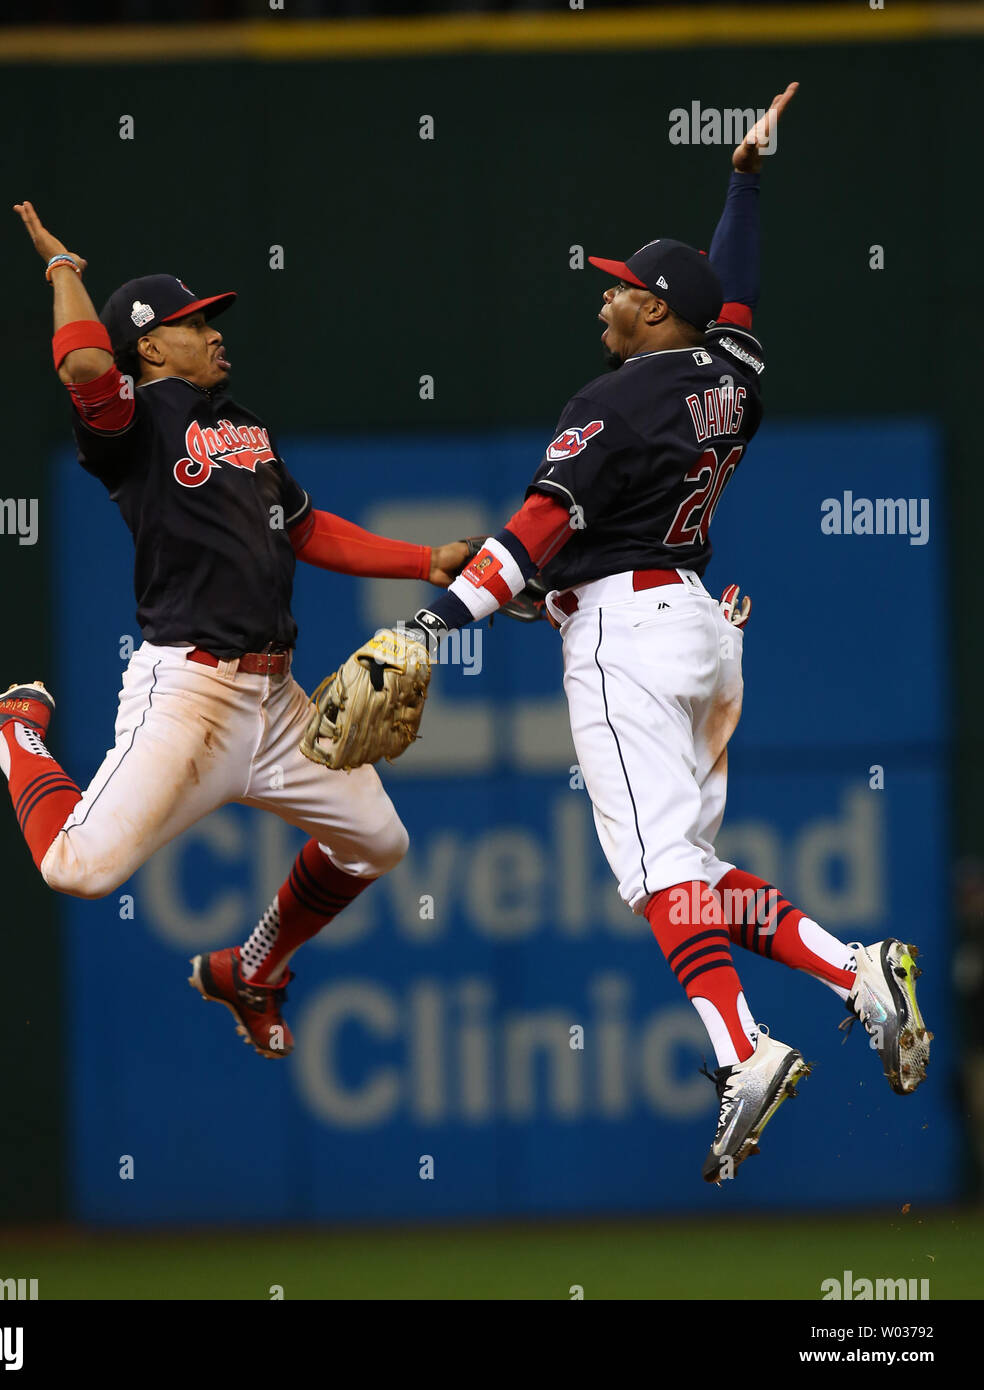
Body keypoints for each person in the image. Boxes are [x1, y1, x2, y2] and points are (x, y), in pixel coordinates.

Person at [393, 84, 931, 1182]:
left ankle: (743, 1047)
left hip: (627, 638)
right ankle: (850, 967)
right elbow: (733, 292)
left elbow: (531, 535)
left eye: (624, 291)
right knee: (683, 871)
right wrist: (742, 179)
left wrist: (429, 622)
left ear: (655, 314)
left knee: (654, 880)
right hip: (697, 629)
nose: (608, 303)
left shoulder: (616, 401)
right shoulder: (731, 380)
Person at [0, 201, 470, 1061]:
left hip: (277, 701)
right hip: (193, 694)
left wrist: (424, 559)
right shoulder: (130, 424)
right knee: (77, 868)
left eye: (211, 321)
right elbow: (84, 364)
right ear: (149, 345)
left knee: (378, 843)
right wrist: (65, 270)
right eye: (193, 322)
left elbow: (309, 530)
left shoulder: (243, 427)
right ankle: (10, 732)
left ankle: (252, 969)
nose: (214, 333)